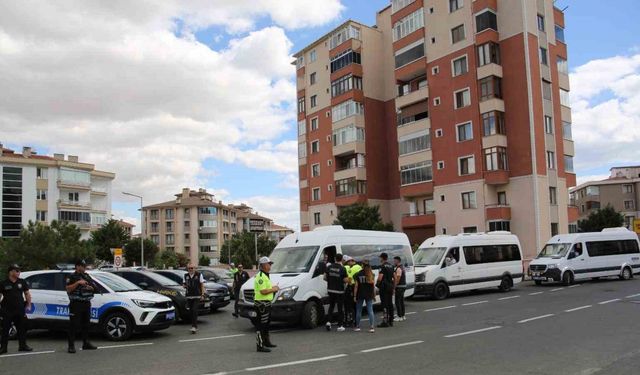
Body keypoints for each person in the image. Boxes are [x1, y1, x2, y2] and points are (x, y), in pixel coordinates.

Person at [65, 260, 98, 353]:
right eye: (83, 266)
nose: (84, 268)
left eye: (85, 266)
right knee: (73, 325)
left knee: (86, 324)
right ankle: (71, 346)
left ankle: (86, 343)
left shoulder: (86, 276)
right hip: (76, 303)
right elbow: (68, 289)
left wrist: (90, 288)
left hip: (86, 303)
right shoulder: (71, 276)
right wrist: (78, 283)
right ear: (77, 266)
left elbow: (94, 287)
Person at [0, 264, 32, 354]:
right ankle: (3, 348)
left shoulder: (22, 282)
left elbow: (27, 293)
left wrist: (28, 304)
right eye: (17, 271)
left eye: (19, 271)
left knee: (22, 328)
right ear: (11, 272)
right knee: (5, 329)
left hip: (20, 309)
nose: (19, 272)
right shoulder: (3, 283)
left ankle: (23, 346)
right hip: (6, 310)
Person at [253, 256, 279, 353]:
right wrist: (274, 289)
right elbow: (263, 291)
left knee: (267, 324)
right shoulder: (260, 277)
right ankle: (259, 346)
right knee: (261, 326)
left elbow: (266, 289)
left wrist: (273, 288)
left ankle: (267, 342)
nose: (270, 265)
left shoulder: (266, 275)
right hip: (261, 305)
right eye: (269, 264)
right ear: (263, 265)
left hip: (266, 304)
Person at [324, 253, 348, 332]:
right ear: (341, 259)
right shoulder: (342, 268)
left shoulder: (329, 267)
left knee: (331, 306)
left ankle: (328, 322)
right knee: (340, 308)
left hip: (330, 290)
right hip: (339, 291)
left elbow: (324, 277)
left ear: (335, 259)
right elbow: (345, 280)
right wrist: (348, 281)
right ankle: (340, 325)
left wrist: (331, 281)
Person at [354, 261, 375, 333]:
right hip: (369, 294)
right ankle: (372, 327)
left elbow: (356, 286)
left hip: (360, 294)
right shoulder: (371, 274)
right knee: (370, 310)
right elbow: (373, 286)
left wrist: (354, 295)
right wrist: (374, 295)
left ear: (362, 266)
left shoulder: (358, 274)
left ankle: (357, 326)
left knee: (359, 310)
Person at [183, 263, 205, 333]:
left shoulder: (199, 275)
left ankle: (194, 327)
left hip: (197, 295)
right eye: (189, 268)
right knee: (191, 311)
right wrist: (184, 286)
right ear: (188, 269)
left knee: (194, 310)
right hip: (189, 296)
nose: (191, 269)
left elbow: (202, 285)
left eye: (192, 268)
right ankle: (193, 325)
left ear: (194, 268)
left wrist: (202, 294)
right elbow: (184, 284)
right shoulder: (185, 275)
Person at [376, 252, 395, 328]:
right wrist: (394, 287)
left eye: (380, 257)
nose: (379, 259)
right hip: (390, 286)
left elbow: (380, 277)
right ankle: (391, 320)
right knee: (390, 303)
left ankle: (385, 321)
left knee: (384, 304)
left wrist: (377, 284)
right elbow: (395, 277)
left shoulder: (382, 266)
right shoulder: (391, 266)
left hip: (384, 287)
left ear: (382, 258)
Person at [344, 256, 361, 327]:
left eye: (348, 262)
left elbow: (349, 279)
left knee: (351, 305)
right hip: (358, 287)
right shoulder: (359, 267)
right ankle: (356, 321)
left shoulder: (353, 268)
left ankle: (352, 321)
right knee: (356, 306)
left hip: (353, 287)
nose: (348, 264)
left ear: (351, 261)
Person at [393, 256, 407, 322]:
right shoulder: (402, 267)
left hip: (400, 287)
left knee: (397, 301)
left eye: (394, 260)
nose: (394, 262)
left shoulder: (398, 269)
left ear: (397, 261)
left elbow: (397, 279)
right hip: (403, 286)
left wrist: (394, 287)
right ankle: (403, 315)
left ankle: (399, 316)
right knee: (401, 301)